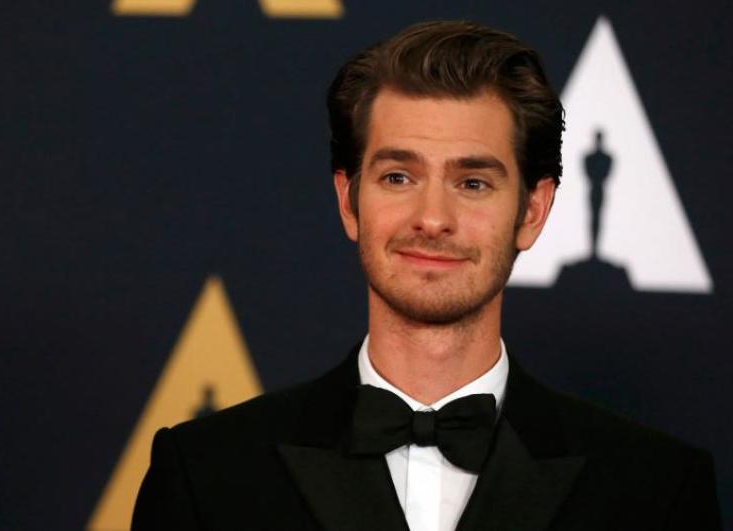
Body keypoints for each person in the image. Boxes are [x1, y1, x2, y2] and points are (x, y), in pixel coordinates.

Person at [131, 20, 721, 530]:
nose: (433, 219)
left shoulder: (654, 490)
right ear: (348, 200)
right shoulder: (209, 475)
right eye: (398, 177)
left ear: (533, 212)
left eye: (472, 183)